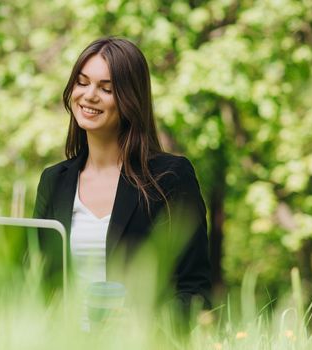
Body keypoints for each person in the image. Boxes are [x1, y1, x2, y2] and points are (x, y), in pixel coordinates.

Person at [33, 37, 211, 313]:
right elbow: (34, 282)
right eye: (82, 82)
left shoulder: (170, 178)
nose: (89, 95)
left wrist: (139, 324)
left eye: (106, 89)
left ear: (130, 99)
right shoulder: (54, 181)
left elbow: (194, 293)